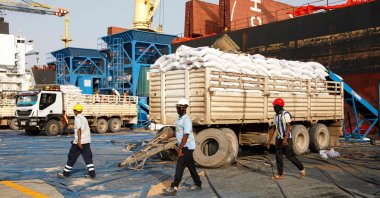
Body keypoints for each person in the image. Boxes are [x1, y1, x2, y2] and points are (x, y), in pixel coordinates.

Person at [163, 98, 202, 196]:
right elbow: (178, 131)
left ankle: (174, 187)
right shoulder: (179, 119)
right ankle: (198, 184)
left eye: (180, 107)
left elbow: (186, 135)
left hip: (187, 147)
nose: (178, 109)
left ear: (185, 108)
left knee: (179, 166)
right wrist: (169, 136)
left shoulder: (187, 120)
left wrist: (180, 148)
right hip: (185, 146)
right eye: (177, 107)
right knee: (190, 166)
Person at [267, 98, 305, 180]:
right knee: (278, 156)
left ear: (278, 106)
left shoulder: (286, 114)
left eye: (274, 106)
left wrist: (285, 139)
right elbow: (273, 129)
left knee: (289, 155)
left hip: (287, 138)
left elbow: (288, 127)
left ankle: (301, 168)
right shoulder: (275, 116)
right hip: (278, 139)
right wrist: (269, 141)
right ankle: (280, 174)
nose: (273, 108)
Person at [57, 104, 96, 178]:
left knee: (71, 157)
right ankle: (92, 174)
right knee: (88, 157)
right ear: (81, 110)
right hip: (86, 141)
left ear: (75, 111)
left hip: (79, 142)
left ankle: (65, 174)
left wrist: (78, 141)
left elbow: (79, 129)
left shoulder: (77, 118)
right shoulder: (84, 118)